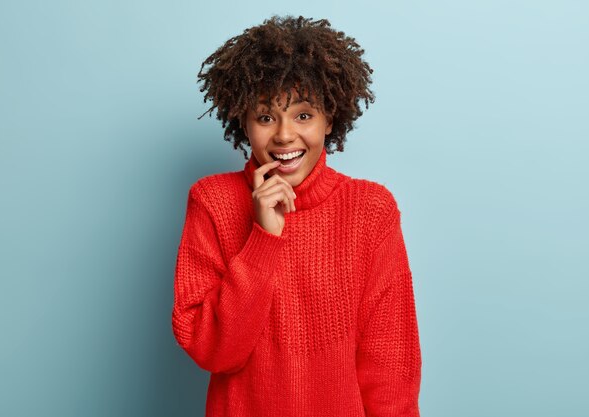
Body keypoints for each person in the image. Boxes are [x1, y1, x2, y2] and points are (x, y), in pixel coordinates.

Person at [172, 14, 422, 417]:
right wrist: (263, 240)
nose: (285, 135)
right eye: (266, 116)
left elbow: (391, 367)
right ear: (243, 122)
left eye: (304, 115)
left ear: (330, 119)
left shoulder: (371, 210)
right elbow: (214, 352)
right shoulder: (212, 201)